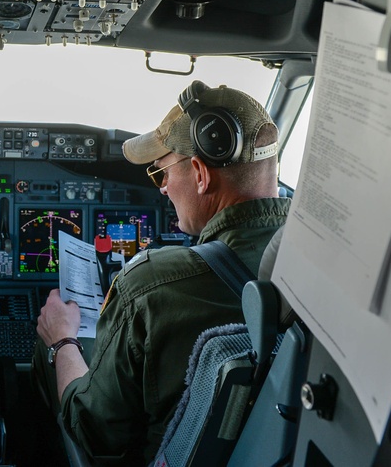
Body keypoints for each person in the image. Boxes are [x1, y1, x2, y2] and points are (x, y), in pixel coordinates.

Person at [33, 80, 290, 466]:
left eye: (161, 173)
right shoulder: (322, 268)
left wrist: (61, 342)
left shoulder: (149, 287)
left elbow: (93, 430)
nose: (163, 188)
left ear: (201, 174)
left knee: (52, 342)